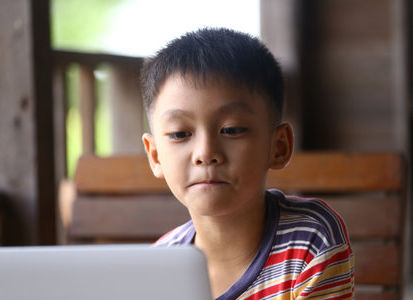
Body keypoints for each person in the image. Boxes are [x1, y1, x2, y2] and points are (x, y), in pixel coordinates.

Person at [140, 28, 354, 300]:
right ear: (156, 156)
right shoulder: (158, 266)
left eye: (231, 130)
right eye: (181, 134)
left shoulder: (309, 240)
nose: (206, 153)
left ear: (278, 147)